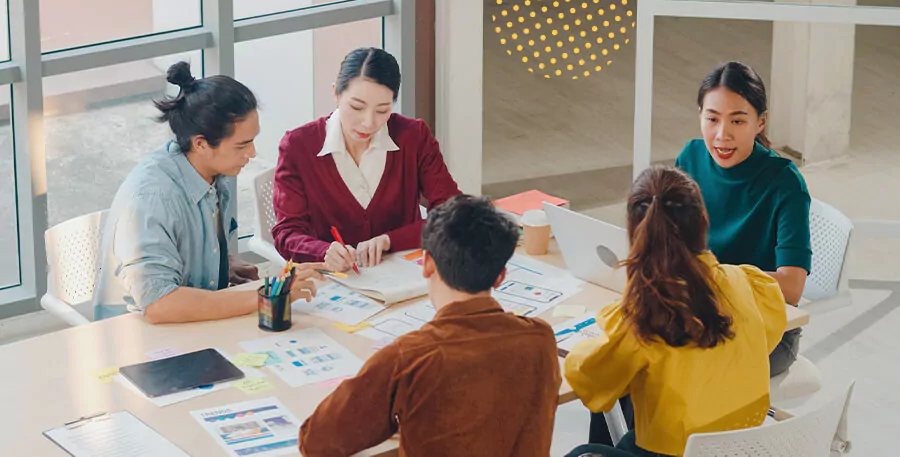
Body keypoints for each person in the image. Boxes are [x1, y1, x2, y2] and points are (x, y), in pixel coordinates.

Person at [298, 195, 561, 457]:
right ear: (501, 276)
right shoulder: (540, 339)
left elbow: (317, 442)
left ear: (427, 264)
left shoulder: (409, 357)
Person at [565, 165, 788, 457]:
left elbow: (590, 382)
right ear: (703, 223)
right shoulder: (746, 283)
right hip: (745, 446)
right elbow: (766, 338)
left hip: (674, 452)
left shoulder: (642, 318)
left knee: (585, 451)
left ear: (637, 233)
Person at [93, 61, 323, 323]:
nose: (253, 153)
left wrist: (220, 265)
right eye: (242, 146)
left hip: (192, 326)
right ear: (201, 144)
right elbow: (159, 304)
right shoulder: (152, 199)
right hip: (140, 337)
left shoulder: (213, 171)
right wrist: (267, 295)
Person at [675, 61, 811, 377]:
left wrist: (711, 277)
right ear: (700, 116)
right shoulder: (690, 158)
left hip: (768, 330)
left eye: (738, 120)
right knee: (623, 359)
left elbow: (791, 288)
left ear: (760, 122)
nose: (722, 135)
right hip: (697, 311)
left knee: (669, 367)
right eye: (712, 119)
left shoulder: (785, 183)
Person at [272, 47, 461, 273]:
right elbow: (287, 234)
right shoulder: (298, 146)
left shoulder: (414, 136)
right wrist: (323, 251)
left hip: (404, 275)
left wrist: (391, 240)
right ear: (336, 94)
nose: (369, 123)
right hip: (334, 282)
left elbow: (452, 213)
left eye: (383, 110)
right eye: (356, 107)